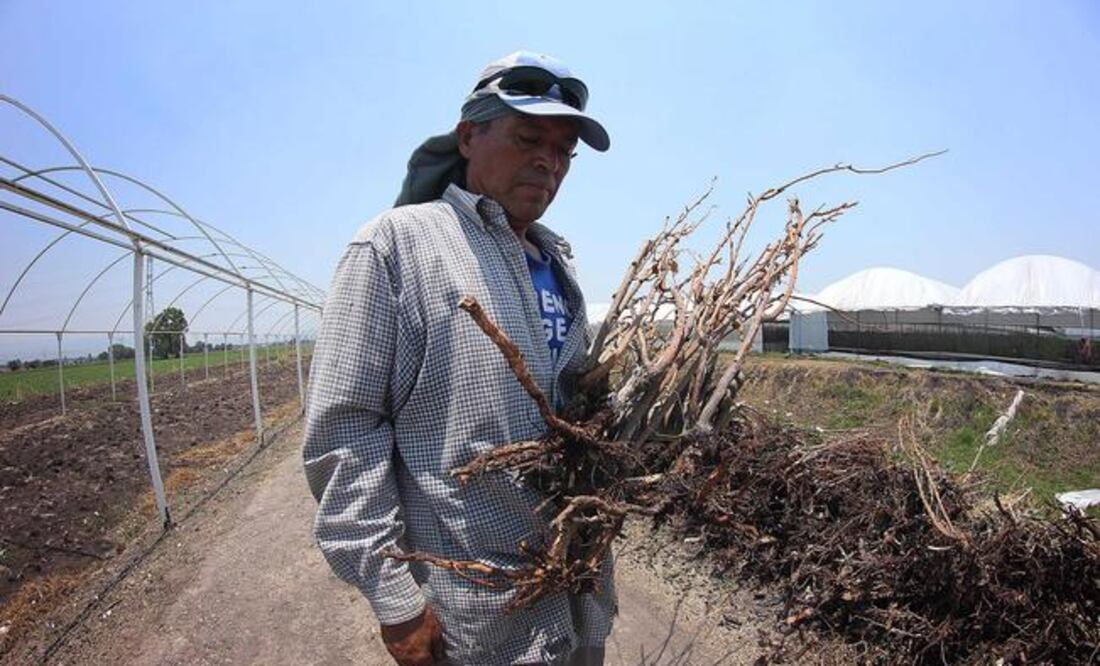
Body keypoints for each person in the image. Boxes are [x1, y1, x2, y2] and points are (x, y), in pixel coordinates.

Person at [302, 51, 614, 666]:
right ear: (469, 136)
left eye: (563, 151)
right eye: (529, 137)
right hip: (479, 617)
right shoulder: (396, 246)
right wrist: (394, 600)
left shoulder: (559, 265)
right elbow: (346, 430)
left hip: (579, 595)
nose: (548, 161)